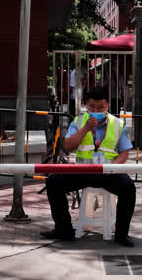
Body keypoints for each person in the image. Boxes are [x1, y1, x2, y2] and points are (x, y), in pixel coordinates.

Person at [41, 86, 136, 245]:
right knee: (53, 182)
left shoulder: (118, 124)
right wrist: (86, 129)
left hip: (108, 173)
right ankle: (63, 229)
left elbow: (124, 154)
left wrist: (112, 168)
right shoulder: (78, 122)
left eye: (101, 107)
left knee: (129, 188)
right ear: (86, 105)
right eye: (92, 107)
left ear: (107, 106)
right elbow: (68, 146)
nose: (96, 110)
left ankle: (121, 234)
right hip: (82, 172)